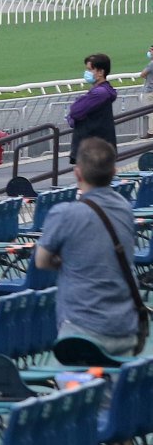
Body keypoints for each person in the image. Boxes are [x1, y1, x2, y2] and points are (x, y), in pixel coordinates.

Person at [38, 138, 144, 358]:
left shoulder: (65, 213)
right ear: (114, 171)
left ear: (78, 174)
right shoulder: (125, 208)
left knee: (73, 389)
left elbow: (41, 261)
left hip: (82, 328)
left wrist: (66, 260)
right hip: (125, 325)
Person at [69, 52, 117, 157]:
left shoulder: (99, 93)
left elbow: (75, 111)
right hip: (97, 147)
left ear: (100, 72)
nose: (87, 73)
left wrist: (72, 117)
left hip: (92, 150)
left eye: (90, 70)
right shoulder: (104, 91)